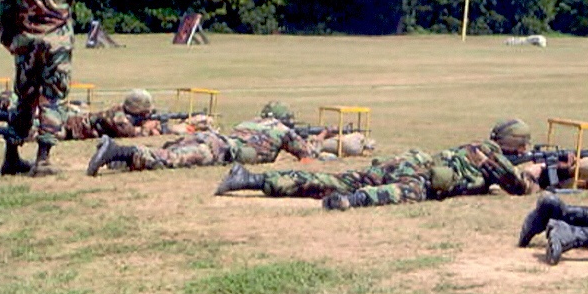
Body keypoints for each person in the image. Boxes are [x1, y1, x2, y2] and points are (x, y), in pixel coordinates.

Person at [213, 118, 545, 210]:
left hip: (406, 160)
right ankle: (350, 202)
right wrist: (534, 176)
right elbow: (518, 188)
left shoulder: (475, 146)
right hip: (422, 176)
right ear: (515, 145)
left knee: (337, 178)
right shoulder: (494, 157)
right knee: (399, 194)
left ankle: (250, 179)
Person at [0, 0, 98, 176]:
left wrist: (7, 37)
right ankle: (43, 159)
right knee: (54, 96)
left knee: (24, 97)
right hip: (57, 42)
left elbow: (5, 3)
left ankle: (12, 156)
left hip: (25, 40)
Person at [86, 112, 326, 176]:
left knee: (169, 151)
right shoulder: (282, 131)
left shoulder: (250, 121)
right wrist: (320, 141)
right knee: (170, 160)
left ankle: (118, 160)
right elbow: (307, 158)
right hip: (219, 150)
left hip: (212, 139)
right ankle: (116, 150)